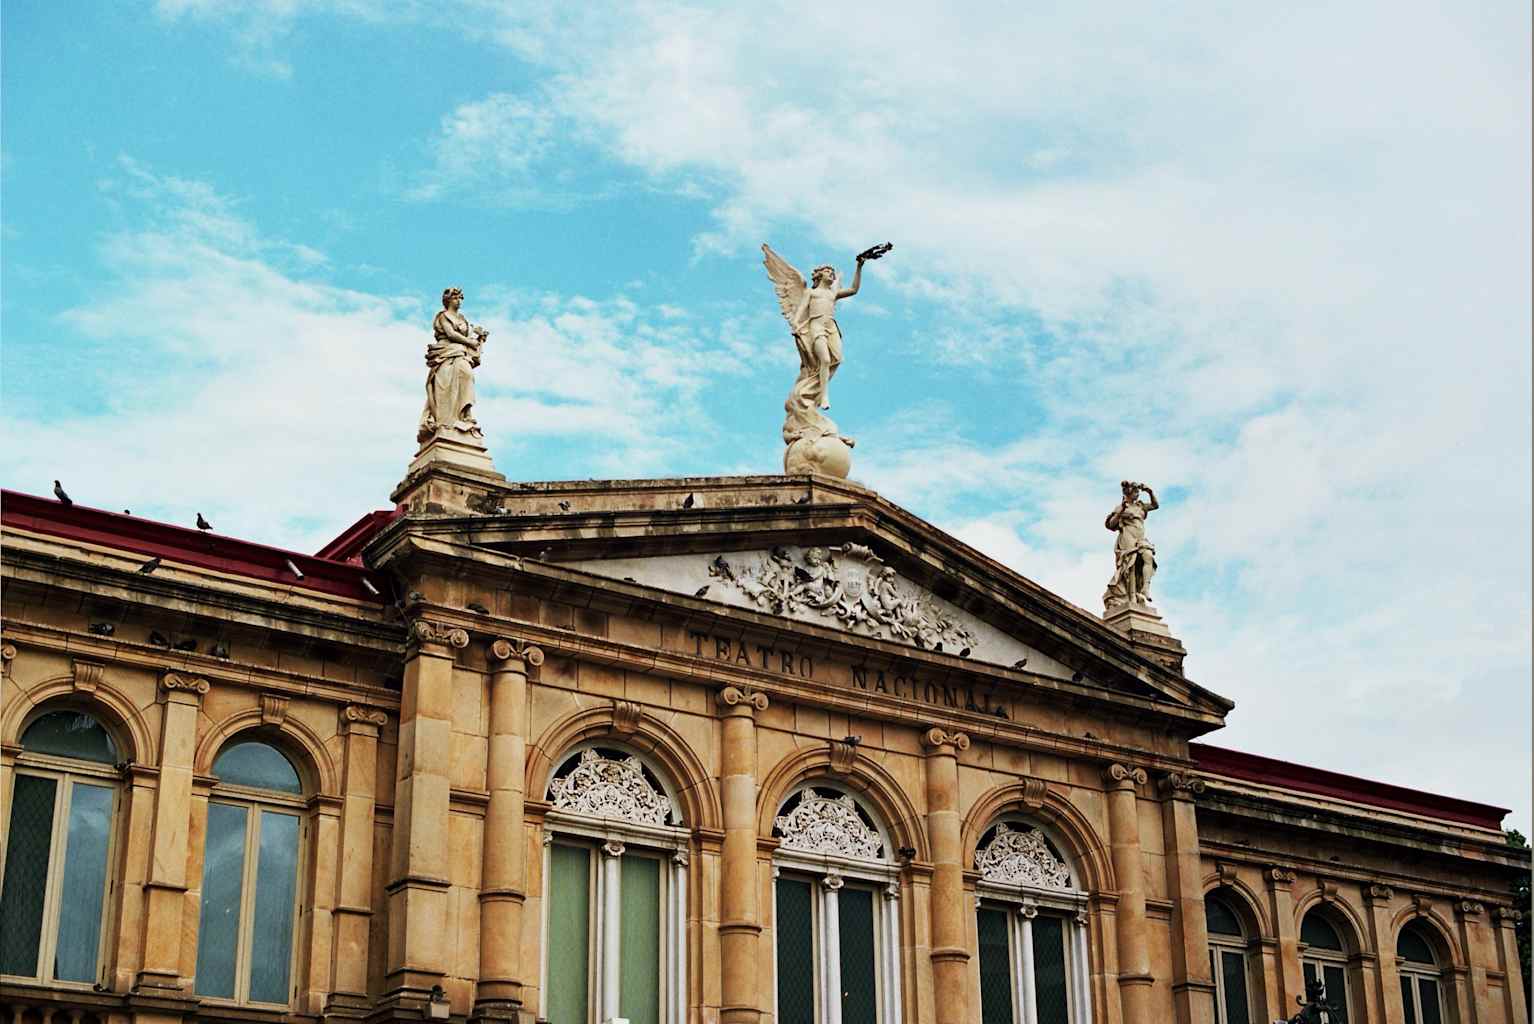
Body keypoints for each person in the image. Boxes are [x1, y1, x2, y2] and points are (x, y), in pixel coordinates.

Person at [791, 256, 865, 410]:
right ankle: (823, 396)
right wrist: (796, 324)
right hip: (816, 326)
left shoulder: (833, 293)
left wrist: (859, 266)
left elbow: (854, 289)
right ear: (819, 275)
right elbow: (801, 310)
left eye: (832, 272)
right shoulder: (811, 292)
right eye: (827, 271)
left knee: (836, 358)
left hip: (831, 327)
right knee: (824, 359)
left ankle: (816, 388)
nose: (831, 273)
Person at [418, 287, 488, 444]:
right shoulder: (443, 316)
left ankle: (465, 416)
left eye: (460, 298)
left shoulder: (463, 319)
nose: (459, 301)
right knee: (447, 388)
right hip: (446, 352)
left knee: (467, 377)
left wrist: (479, 339)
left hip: (461, 353)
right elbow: (450, 334)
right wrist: (469, 341)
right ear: (448, 300)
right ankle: (448, 422)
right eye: (456, 298)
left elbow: (470, 339)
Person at [1103, 480, 1159, 609]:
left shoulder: (1141, 506)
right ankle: (1132, 596)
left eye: (1138, 492)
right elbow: (1111, 525)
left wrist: (1150, 492)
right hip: (1127, 537)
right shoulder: (1121, 507)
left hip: (1140, 538)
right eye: (1136, 492)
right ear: (1129, 493)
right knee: (1130, 566)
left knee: (1148, 556)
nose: (1138, 494)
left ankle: (1145, 587)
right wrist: (1121, 510)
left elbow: (1155, 505)